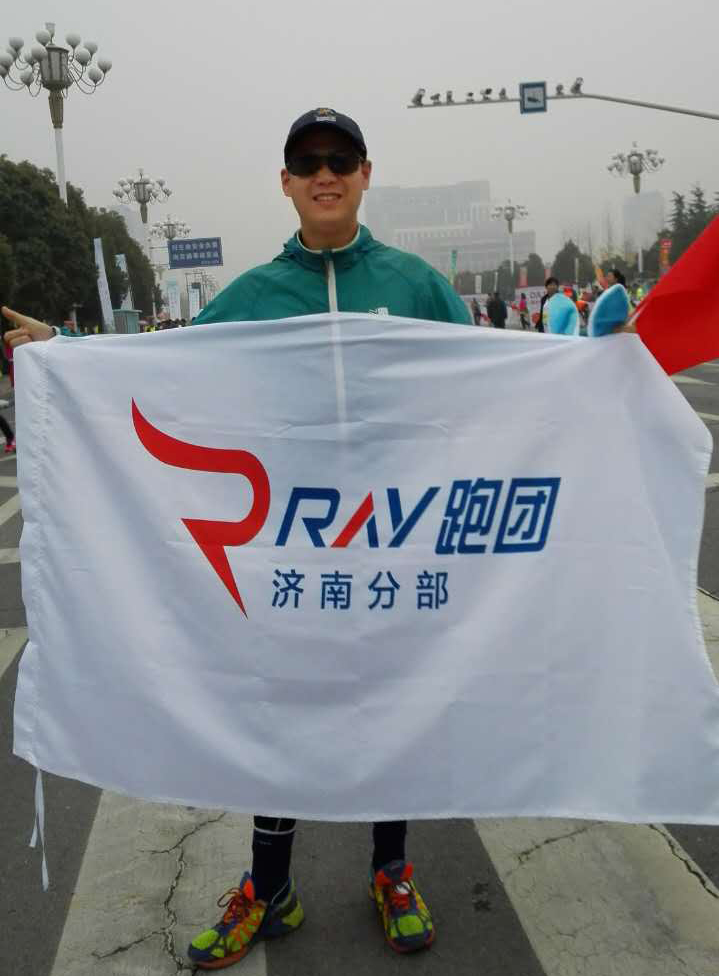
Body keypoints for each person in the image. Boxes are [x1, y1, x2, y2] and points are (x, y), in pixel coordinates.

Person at [2, 106, 471, 971]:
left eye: (340, 159)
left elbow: (497, 381)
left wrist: (602, 367)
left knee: (393, 707)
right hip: (286, 550)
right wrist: (62, 351)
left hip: (391, 542)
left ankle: (391, 872)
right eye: (307, 161)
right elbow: (164, 372)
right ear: (285, 182)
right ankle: (269, 887)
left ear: (365, 174)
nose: (324, 173)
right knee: (280, 712)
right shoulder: (255, 295)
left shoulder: (414, 285)